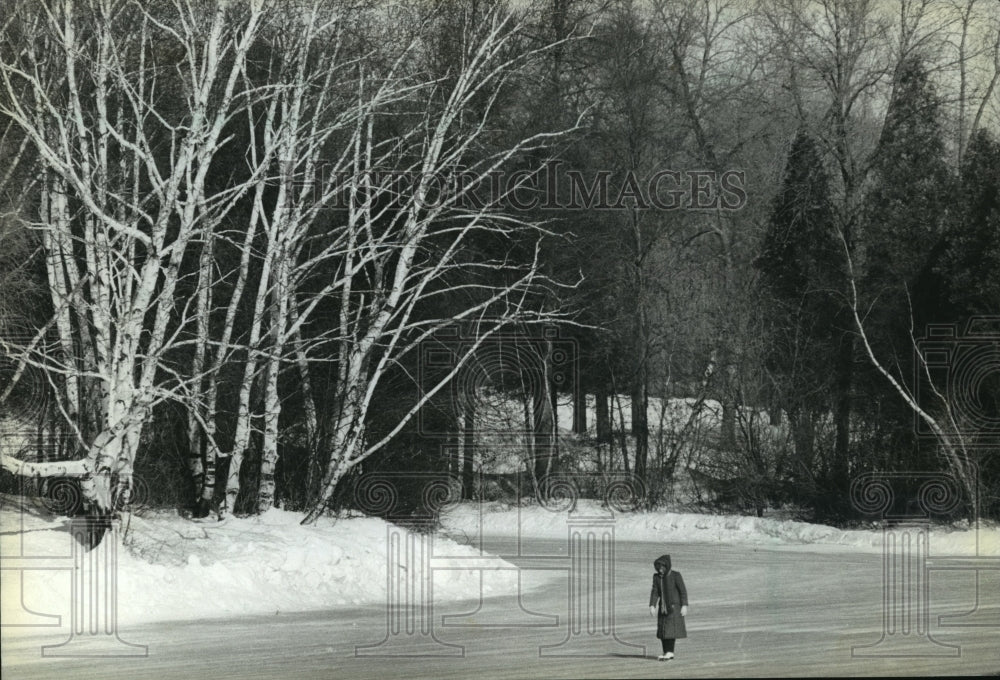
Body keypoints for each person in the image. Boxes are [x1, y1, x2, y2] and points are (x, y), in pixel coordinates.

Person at [648, 553, 688, 660]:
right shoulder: (657, 577)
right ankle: (666, 652)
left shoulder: (675, 575)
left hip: (674, 608)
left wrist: (684, 605)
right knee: (663, 630)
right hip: (663, 608)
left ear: (667, 566)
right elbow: (655, 592)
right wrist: (652, 605)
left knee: (670, 630)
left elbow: (683, 591)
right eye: (658, 568)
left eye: (662, 568)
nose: (660, 570)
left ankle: (670, 652)